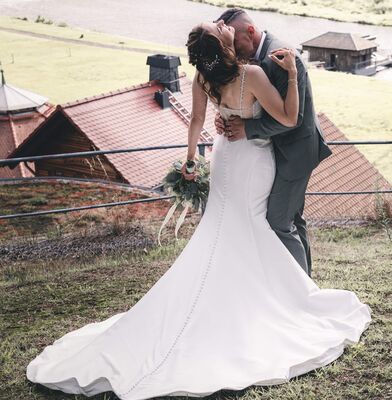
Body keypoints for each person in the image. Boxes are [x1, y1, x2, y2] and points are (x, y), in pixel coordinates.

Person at [25, 16, 371, 400]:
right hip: (253, 162)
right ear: (222, 45)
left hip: (223, 159)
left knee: (224, 227)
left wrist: (191, 161)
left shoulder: (203, 78)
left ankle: (252, 294)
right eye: (218, 27)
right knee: (253, 225)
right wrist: (290, 74)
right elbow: (290, 117)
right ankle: (282, 298)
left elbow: (196, 121)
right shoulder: (253, 75)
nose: (223, 24)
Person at [213, 8, 332, 278]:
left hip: (295, 152)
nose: (232, 49)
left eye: (234, 41)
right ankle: (306, 283)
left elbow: (293, 118)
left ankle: (301, 292)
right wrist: (226, 116)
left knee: (278, 221)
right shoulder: (249, 60)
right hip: (273, 151)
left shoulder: (282, 57)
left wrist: (247, 128)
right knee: (293, 219)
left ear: (250, 32)